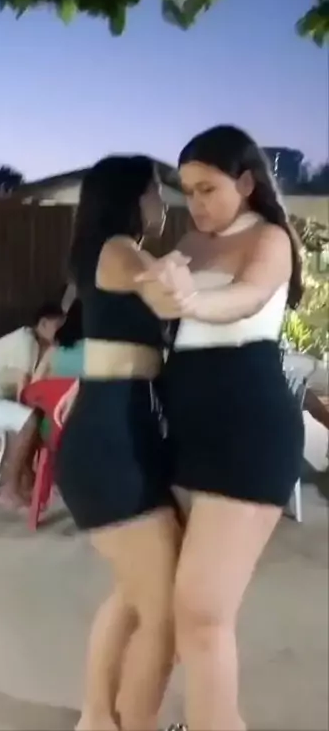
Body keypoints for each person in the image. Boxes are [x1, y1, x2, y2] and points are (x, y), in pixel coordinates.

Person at [137, 125, 305, 731]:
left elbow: (246, 298)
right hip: (190, 437)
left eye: (208, 189)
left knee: (204, 613)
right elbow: (158, 307)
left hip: (249, 435)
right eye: (187, 192)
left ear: (246, 182)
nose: (197, 204)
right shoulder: (190, 241)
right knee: (179, 611)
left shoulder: (270, 238)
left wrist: (191, 302)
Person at [54, 156, 182, 731]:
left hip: (121, 429)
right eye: (156, 191)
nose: (164, 202)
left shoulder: (113, 253)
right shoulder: (117, 249)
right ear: (129, 197)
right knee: (166, 610)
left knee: (135, 596)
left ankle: (98, 718)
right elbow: (169, 298)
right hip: (111, 443)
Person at [0, 298, 85, 508]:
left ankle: (30, 481)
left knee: (35, 419)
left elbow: (32, 391)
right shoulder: (100, 354)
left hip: (49, 431)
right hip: (84, 431)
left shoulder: (53, 352)